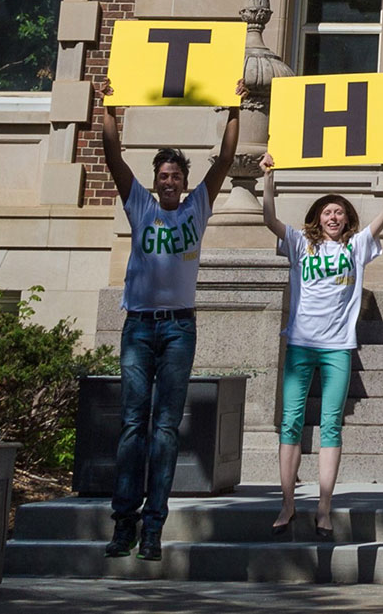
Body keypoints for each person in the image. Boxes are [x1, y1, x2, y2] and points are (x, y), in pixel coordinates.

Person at [98, 81, 241, 561]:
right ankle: (124, 524)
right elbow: (113, 154)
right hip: (138, 325)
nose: (170, 181)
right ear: (155, 179)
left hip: (179, 328)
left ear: (184, 181)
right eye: (163, 174)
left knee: (164, 429)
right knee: (133, 424)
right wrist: (111, 109)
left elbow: (224, 162)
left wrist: (233, 107)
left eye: (176, 175)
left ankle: (153, 528)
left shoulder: (198, 207)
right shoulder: (139, 204)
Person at [259, 147, 383, 540]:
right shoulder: (299, 244)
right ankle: (288, 504)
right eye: (327, 211)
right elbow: (269, 218)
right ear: (316, 218)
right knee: (290, 422)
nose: (334, 217)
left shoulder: (355, 247)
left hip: (339, 346)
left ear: (347, 219)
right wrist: (269, 177)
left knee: (331, 426)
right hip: (301, 346)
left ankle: (324, 507)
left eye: (339, 212)